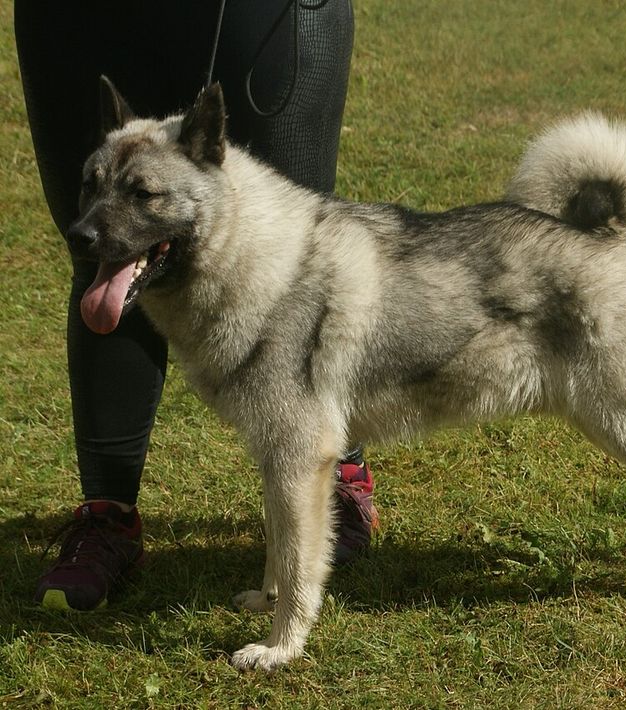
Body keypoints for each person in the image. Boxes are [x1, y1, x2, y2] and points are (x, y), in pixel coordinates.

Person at [15, 0, 377, 612]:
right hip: (79, 18)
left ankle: (335, 473)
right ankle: (108, 515)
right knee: (103, 251)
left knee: (306, 249)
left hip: (260, 16)